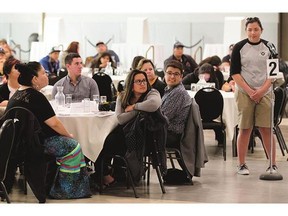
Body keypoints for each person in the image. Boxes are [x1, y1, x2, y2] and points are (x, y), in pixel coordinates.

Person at [5, 61, 91, 199]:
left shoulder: (16, 95)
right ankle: (65, 190)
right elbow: (55, 123)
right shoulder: (36, 96)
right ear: (34, 79)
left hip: (20, 143)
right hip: (37, 144)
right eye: (44, 73)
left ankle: (61, 184)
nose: (47, 75)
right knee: (73, 147)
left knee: (69, 143)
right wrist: (68, 135)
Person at [92, 69, 162, 186]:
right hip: (126, 134)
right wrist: (139, 110)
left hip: (141, 138)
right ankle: (107, 174)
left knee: (103, 143)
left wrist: (134, 107)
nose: (142, 84)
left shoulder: (152, 93)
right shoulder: (123, 96)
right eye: (138, 81)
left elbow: (154, 104)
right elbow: (120, 118)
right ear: (131, 84)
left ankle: (105, 175)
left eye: (144, 81)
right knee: (101, 140)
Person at [230, 17, 278, 175]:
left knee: (266, 129)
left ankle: (273, 164)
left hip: (265, 92)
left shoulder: (269, 47)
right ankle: (242, 164)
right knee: (245, 128)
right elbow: (235, 74)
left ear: (261, 30)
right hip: (245, 93)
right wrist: (251, 92)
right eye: (250, 29)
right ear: (246, 31)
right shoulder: (239, 47)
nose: (253, 32)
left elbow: (273, 74)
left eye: (256, 29)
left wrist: (261, 91)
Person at [161, 60, 191, 152]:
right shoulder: (169, 89)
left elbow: (163, 117)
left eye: (176, 74)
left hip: (170, 135)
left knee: (132, 136)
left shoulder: (178, 92)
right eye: (169, 73)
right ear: (164, 75)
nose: (172, 77)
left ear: (181, 77)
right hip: (165, 131)